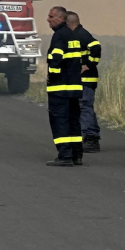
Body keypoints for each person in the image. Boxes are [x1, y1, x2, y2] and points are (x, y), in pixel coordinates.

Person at [45, 10, 86, 166]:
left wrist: (52, 76)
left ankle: (65, 156)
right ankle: (77, 155)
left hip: (60, 88)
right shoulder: (72, 35)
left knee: (60, 121)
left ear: (60, 18)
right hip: (74, 88)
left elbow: (55, 59)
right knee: (73, 121)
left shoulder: (59, 36)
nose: (48, 19)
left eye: (51, 16)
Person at [79, 18, 103, 152]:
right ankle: (89, 136)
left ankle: (91, 138)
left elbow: (96, 47)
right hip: (82, 79)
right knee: (83, 106)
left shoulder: (81, 34)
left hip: (87, 79)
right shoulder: (75, 34)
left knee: (84, 106)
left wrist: (88, 64)